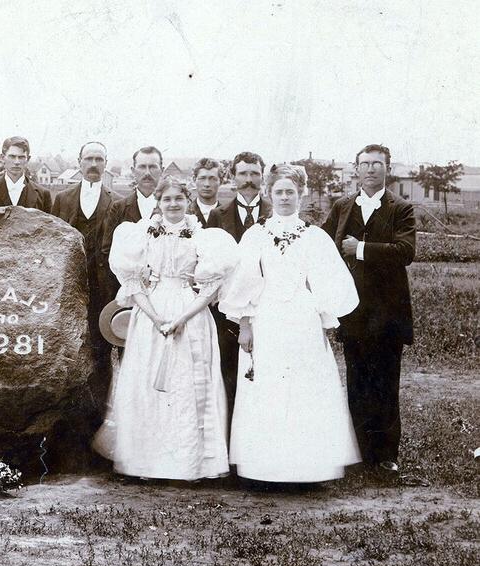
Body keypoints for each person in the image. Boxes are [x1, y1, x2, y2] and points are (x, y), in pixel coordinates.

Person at [221, 164, 361, 483]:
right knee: (267, 386)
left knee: (304, 387)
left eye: (290, 192)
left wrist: (325, 315)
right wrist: (245, 323)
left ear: (301, 195)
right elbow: (244, 282)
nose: (284, 198)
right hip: (266, 317)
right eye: (279, 192)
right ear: (269, 195)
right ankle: (264, 467)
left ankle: (307, 467)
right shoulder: (256, 235)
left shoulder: (314, 236)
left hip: (302, 318)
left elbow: (330, 280)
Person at [94, 176, 237, 480]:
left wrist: (184, 317)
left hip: (190, 312)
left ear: (188, 200)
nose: (173, 204)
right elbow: (133, 284)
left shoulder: (202, 236)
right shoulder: (142, 235)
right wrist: (156, 317)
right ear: (158, 202)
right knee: (149, 385)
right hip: (153, 311)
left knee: (187, 383)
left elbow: (210, 288)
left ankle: (190, 464)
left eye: (179, 199)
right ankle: (147, 462)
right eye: (167, 199)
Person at [322, 144, 416, 474]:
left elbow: (405, 250)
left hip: (388, 312)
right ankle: (361, 454)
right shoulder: (342, 206)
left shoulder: (400, 208)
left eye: (378, 164)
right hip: (353, 312)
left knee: (386, 382)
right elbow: (322, 246)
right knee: (358, 381)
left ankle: (386, 455)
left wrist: (359, 248)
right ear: (356, 169)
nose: (371, 169)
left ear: (387, 169)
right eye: (365, 164)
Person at [205, 151, 270, 420]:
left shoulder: (276, 212)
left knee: (265, 375)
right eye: (243, 173)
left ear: (262, 177)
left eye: (254, 173)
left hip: (268, 308)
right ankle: (232, 445)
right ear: (232, 177)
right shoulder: (217, 216)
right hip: (226, 314)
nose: (249, 180)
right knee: (229, 376)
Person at [51, 141, 118, 399]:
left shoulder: (117, 202)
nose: (93, 165)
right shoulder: (62, 199)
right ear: (79, 163)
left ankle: (99, 410)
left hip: (102, 290)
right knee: (68, 347)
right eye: (88, 159)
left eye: (99, 159)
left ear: (105, 164)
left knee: (101, 351)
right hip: (70, 288)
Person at [101, 146, 164, 301]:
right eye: (142, 167)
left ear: (161, 169)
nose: (147, 172)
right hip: (128, 292)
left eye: (153, 167)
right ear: (133, 170)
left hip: (163, 292)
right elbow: (107, 250)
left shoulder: (171, 208)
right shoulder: (119, 207)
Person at [0, 136, 52, 211]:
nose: (16, 162)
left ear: (28, 159)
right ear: (3, 158)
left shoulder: (43, 194)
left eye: (21, 157)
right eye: (12, 156)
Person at [190, 157, 222, 226]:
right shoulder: (184, 214)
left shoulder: (229, 215)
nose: (207, 184)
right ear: (194, 180)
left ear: (221, 181)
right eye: (202, 178)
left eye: (212, 179)